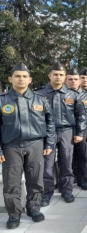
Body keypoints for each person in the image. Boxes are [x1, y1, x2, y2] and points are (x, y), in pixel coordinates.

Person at [0, 63, 55, 229]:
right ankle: (14, 214)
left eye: (24, 76)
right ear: (10, 79)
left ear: (30, 79)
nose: (21, 79)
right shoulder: (2, 101)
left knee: (36, 179)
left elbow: (50, 122)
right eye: (17, 76)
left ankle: (34, 209)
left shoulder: (41, 99)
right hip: (11, 146)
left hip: (35, 144)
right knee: (11, 183)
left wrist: (49, 142)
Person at [36, 61, 86, 206]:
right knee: (47, 164)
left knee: (67, 162)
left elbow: (80, 115)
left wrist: (80, 133)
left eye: (61, 75)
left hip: (67, 132)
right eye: (55, 74)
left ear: (65, 77)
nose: (58, 77)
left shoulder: (73, 94)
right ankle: (47, 192)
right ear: (49, 76)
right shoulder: (39, 94)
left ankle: (67, 190)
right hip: (46, 134)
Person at [66, 67, 87, 191]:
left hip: (84, 130)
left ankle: (83, 179)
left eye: (76, 79)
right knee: (67, 157)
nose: (73, 81)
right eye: (71, 79)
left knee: (83, 157)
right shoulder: (62, 95)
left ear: (79, 81)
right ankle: (69, 179)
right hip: (67, 129)